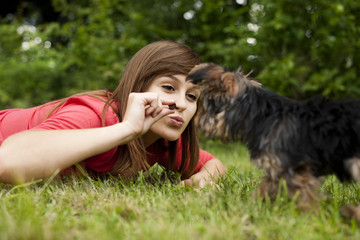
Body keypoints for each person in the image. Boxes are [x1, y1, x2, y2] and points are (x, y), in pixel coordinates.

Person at [0, 40, 226, 186]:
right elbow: (6, 162)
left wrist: (201, 180)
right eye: (168, 87)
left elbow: (213, 163)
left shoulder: (160, 142)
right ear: (139, 88)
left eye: (191, 96)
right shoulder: (97, 115)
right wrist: (126, 129)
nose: (181, 104)